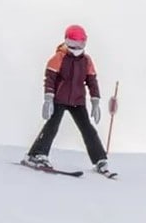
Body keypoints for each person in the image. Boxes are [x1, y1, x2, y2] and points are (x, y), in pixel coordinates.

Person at [22, 24, 112, 175]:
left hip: (77, 101)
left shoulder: (86, 60)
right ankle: (37, 154)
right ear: (66, 41)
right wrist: (48, 98)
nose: (77, 47)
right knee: (52, 126)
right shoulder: (59, 57)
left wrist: (95, 101)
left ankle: (99, 160)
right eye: (73, 43)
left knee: (88, 129)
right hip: (59, 98)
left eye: (80, 43)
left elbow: (92, 81)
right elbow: (50, 79)